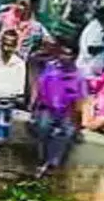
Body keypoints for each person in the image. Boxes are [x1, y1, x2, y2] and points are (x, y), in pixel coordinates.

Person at [31, 45, 88, 178]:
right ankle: (42, 161)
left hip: (66, 112)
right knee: (43, 128)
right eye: (62, 54)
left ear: (74, 57)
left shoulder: (78, 77)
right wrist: (33, 108)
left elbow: (79, 103)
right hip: (47, 108)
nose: (64, 57)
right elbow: (39, 86)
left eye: (68, 55)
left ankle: (52, 164)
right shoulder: (50, 68)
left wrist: (78, 127)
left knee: (65, 132)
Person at [76, 0, 104, 78]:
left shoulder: (95, 26)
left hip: (89, 68)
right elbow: (91, 49)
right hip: (88, 70)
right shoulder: (97, 29)